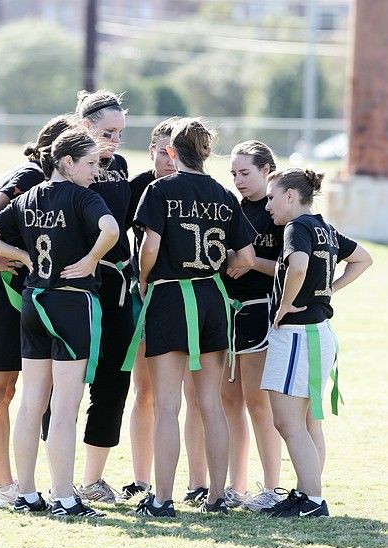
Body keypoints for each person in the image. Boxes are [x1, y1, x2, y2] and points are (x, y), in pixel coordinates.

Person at [0, 127, 119, 518]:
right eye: (89, 164)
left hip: (34, 303)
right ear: (67, 162)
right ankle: (66, 498)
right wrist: (89, 261)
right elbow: (111, 229)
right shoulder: (83, 196)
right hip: (71, 305)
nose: (96, 172)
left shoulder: (31, 196)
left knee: (31, 403)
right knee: (65, 406)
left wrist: (21, 255)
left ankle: (27, 494)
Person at [122, 118, 256, 516]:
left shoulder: (160, 188)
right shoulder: (223, 194)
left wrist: (144, 282)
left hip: (170, 296)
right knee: (210, 404)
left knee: (167, 406)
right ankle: (216, 496)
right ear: (207, 152)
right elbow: (246, 257)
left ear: (172, 152)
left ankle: (161, 498)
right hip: (212, 298)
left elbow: (149, 248)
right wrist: (222, 269)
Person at [0, 114, 75, 508]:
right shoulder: (30, 175)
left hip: (12, 291)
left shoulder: (35, 177)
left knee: (6, 391)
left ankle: (4, 483)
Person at [261, 167, 372, 517]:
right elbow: (362, 258)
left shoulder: (298, 227)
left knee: (287, 422)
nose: (268, 206)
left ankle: (311, 499)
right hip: (318, 333)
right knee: (305, 424)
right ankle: (306, 494)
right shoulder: (325, 226)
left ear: (291, 196)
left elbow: (297, 266)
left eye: (271, 197)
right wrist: (330, 290)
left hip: (298, 333)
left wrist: (283, 306)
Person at [41, 89, 134, 504]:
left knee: (114, 383)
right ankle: (55, 478)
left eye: (119, 132)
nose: (114, 140)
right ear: (84, 126)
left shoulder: (123, 167)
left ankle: (93, 479)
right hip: (69, 288)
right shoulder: (58, 166)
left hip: (114, 287)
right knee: (62, 386)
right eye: (107, 131)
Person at [119, 118, 209, 504]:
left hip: (189, 294)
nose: (168, 159)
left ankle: (198, 482)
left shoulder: (200, 187)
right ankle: (142, 479)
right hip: (148, 292)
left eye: (172, 150)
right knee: (147, 391)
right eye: (160, 150)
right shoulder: (140, 187)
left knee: (195, 393)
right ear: (153, 151)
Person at [222, 140, 283, 512]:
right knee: (229, 402)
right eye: (233, 174)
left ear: (266, 171)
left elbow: (291, 269)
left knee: (258, 403)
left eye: (245, 173)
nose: (238, 181)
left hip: (261, 312)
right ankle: (236, 485)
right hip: (228, 313)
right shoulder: (233, 208)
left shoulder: (279, 213)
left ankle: (272, 488)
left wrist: (251, 261)